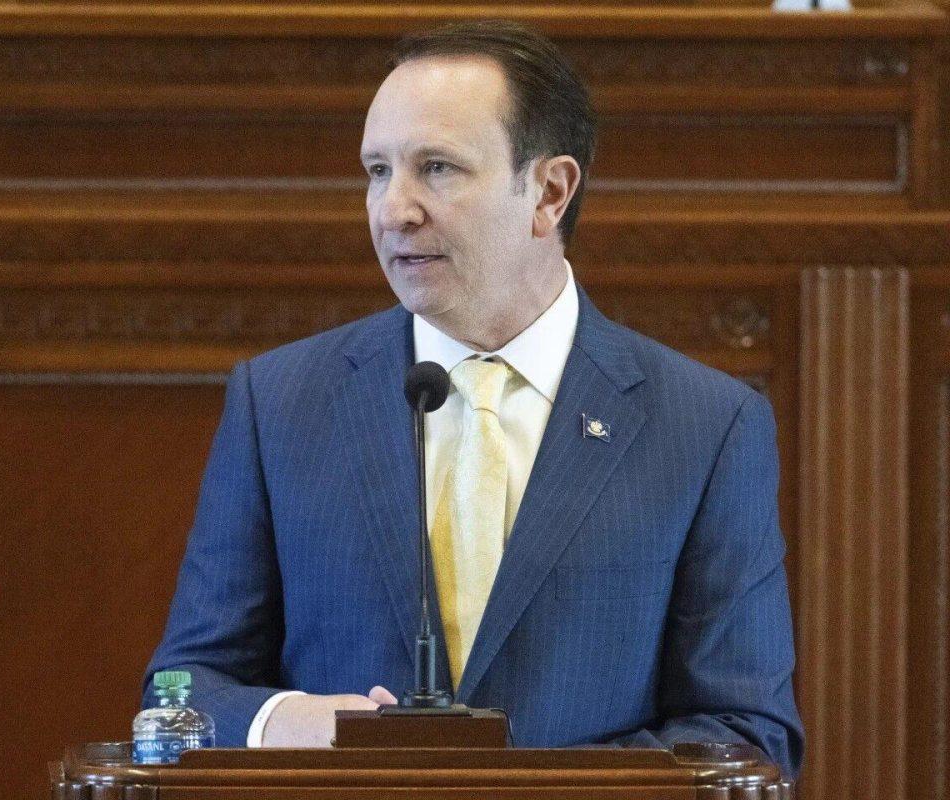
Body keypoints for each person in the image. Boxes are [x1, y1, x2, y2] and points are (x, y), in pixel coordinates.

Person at [146, 20, 803, 777]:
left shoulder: (706, 426)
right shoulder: (281, 402)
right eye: (376, 170)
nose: (394, 209)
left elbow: (748, 739)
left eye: (438, 168)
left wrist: (521, 792)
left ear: (549, 193)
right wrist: (277, 720)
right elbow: (178, 695)